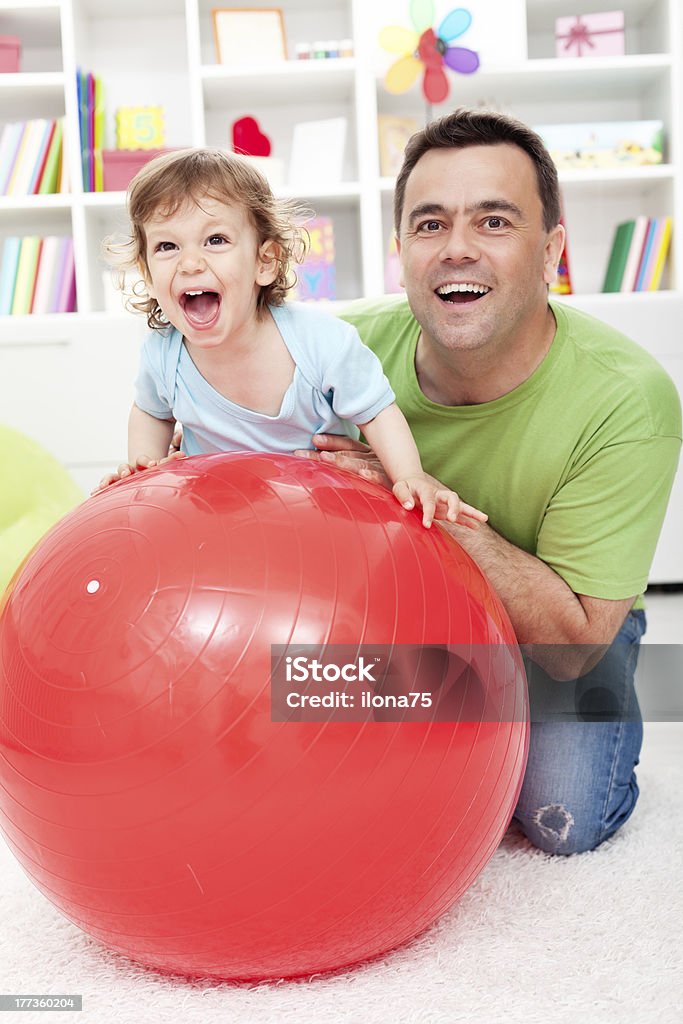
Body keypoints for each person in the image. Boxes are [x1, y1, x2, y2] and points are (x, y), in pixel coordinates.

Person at [301, 108, 682, 855]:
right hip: (404, 611)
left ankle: (553, 715)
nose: (457, 250)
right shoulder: (330, 349)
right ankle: (445, 709)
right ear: (402, 249)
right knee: (300, 710)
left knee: (559, 814)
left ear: (550, 253)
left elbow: (571, 643)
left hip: (560, 623)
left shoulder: (626, 400)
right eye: (430, 224)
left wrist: (412, 488)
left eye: (494, 222)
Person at [94, 148, 486, 531]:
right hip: (219, 517)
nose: (191, 262)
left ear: (265, 262)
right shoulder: (164, 354)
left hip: (319, 517)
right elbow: (151, 413)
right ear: (146, 272)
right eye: (167, 246)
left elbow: (377, 412)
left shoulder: (320, 342)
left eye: (215, 240)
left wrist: (409, 475)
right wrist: (145, 471)